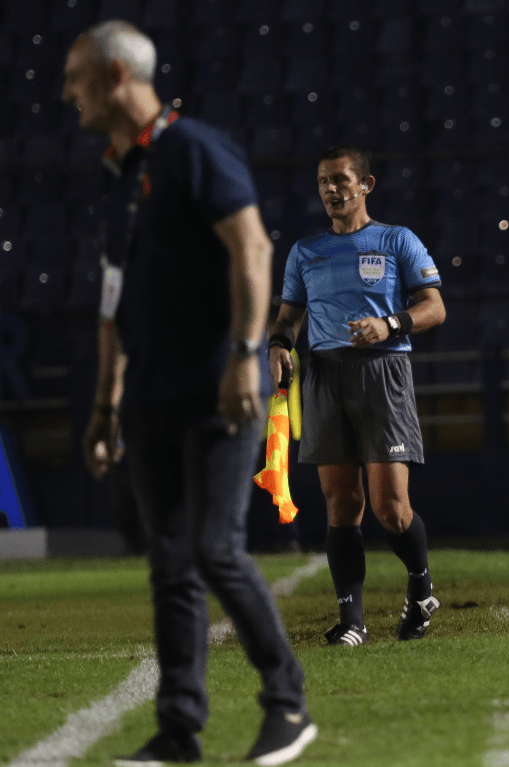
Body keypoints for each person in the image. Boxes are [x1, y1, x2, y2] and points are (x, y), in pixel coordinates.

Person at [65, 21, 316, 766]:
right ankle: (179, 730)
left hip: (216, 389)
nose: (68, 93)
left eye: (77, 78)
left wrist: (244, 354)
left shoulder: (195, 149)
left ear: (116, 76)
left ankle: (288, 701)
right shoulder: (116, 174)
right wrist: (106, 405)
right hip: (148, 397)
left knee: (214, 549)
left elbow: (253, 247)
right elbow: (113, 304)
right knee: (169, 564)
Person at [267, 146, 445, 647]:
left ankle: (421, 588)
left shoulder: (396, 240)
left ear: (365, 185)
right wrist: (278, 345)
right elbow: (288, 319)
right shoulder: (306, 251)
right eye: (323, 181)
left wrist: (390, 324)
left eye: (341, 180)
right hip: (324, 377)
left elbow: (435, 307)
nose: (331, 189)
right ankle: (352, 621)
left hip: (382, 373)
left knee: (391, 508)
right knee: (341, 503)